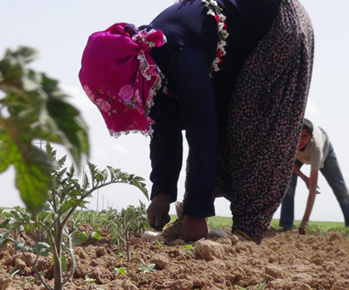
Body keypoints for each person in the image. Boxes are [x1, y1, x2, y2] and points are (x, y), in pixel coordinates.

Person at [79, 0, 314, 243]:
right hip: (240, 40)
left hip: (278, 27)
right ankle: (194, 214)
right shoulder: (147, 67)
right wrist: (162, 193)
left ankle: (246, 232)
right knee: (218, 120)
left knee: (249, 124)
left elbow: (202, 131)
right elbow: (163, 126)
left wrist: (196, 213)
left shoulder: (178, 54)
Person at [279, 119, 349, 234]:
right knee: (287, 187)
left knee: (341, 190)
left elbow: (312, 190)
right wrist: (305, 178)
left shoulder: (316, 149)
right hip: (297, 157)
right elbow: (289, 165)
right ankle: (286, 226)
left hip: (325, 152)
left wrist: (304, 223)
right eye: (298, 136)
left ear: (310, 136)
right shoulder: (289, 141)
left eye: (305, 136)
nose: (300, 141)